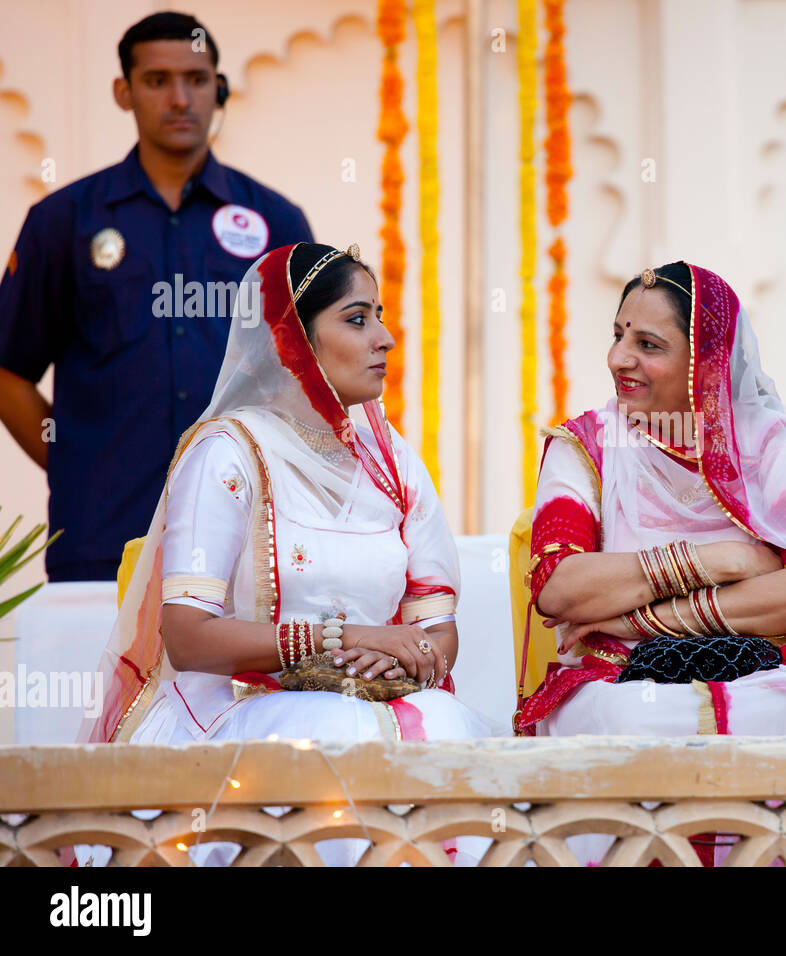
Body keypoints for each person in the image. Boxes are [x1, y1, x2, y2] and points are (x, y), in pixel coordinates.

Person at [78, 243, 498, 864]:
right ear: (293, 337)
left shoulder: (393, 460)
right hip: (238, 708)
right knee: (342, 740)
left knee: (447, 728)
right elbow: (189, 639)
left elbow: (433, 620)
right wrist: (341, 638)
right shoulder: (228, 452)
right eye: (357, 320)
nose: (384, 338)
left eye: (380, 316)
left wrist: (414, 657)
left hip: (373, 701)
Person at [516, 262, 786, 741]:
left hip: (775, 667)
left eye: (647, 345)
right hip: (623, 675)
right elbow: (560, 587)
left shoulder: (770, 442)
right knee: (629, 720)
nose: (618, 358)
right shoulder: (587, 446)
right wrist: (725, 560)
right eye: (618, 336)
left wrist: (641, 618)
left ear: (704, 360)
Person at [0, 11, 312, 603]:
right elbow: (8, 369)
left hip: (244, 539)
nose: (180, 98)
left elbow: (304, 375)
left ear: (218, 87)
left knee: (242, 696)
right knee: (97, 697)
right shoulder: (64, 221)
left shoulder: (276, 222)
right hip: (102, 539)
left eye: (197, 79)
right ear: (124, 92)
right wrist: (75, 464)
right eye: (157, 80)